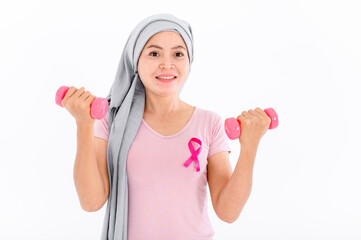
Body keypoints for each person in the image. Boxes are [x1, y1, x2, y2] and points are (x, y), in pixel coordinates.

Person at [61, 13, 271, 240]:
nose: (167, 64)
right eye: (154, 53)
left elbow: (228, 212)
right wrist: (84, 124)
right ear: (135, 61)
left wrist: (249, 146)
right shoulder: (110, 120)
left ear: (189, 61)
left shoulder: (209, 123)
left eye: (178, 54)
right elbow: (91, 202)